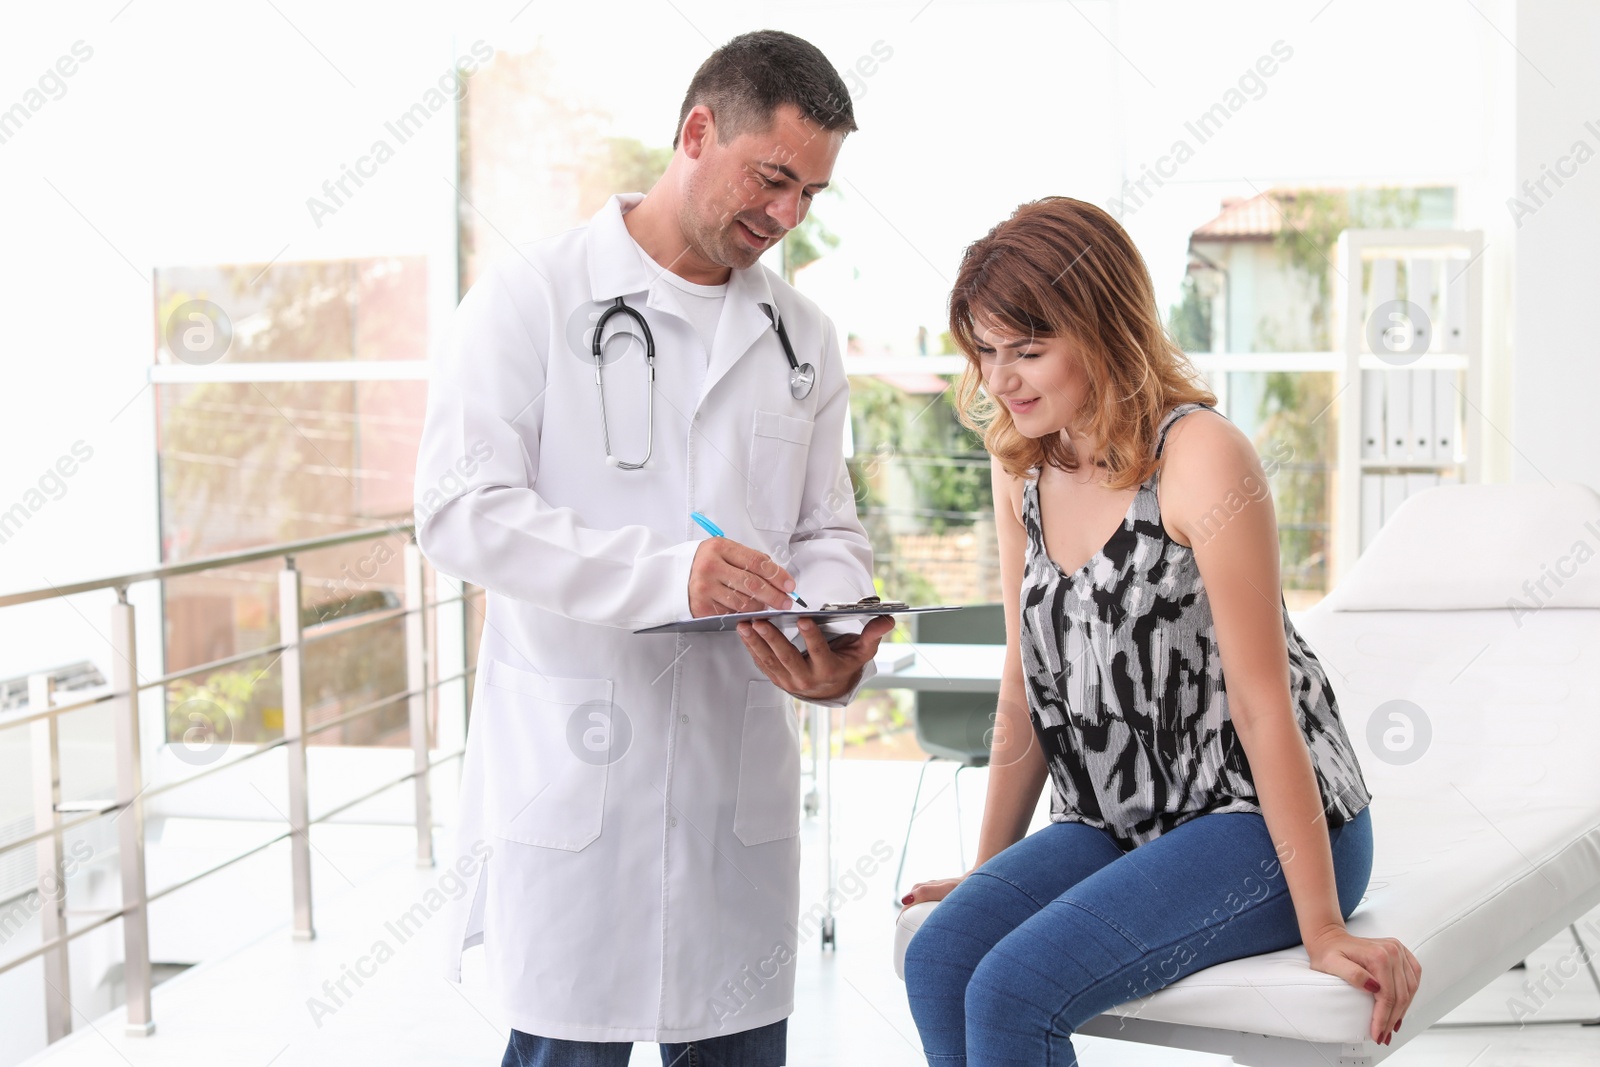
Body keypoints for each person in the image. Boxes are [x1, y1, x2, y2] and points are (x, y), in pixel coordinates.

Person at [413, 30, 895, 1066]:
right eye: (772, 179)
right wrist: (662, 576)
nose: (786, 216)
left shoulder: (801, 336)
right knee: (567, 1044)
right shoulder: (531, 298)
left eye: (810, 194)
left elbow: (823, 526)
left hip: (734, 790)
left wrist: (834, 619)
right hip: (576, 769)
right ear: (694, 131)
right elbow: (458, 509)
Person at [898, 197, 1420, 1062]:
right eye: (986, 352)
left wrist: (1323, 925)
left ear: (1101, 329)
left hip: (1256, 819)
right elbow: (1025, 679)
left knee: (1011, 989)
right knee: (943, 951)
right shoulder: (1020, 460)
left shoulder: (1200, 456)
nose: (1001, 379)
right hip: (1116, 815)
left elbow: (1263, 704)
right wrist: (986, 879)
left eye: (1029, 351)